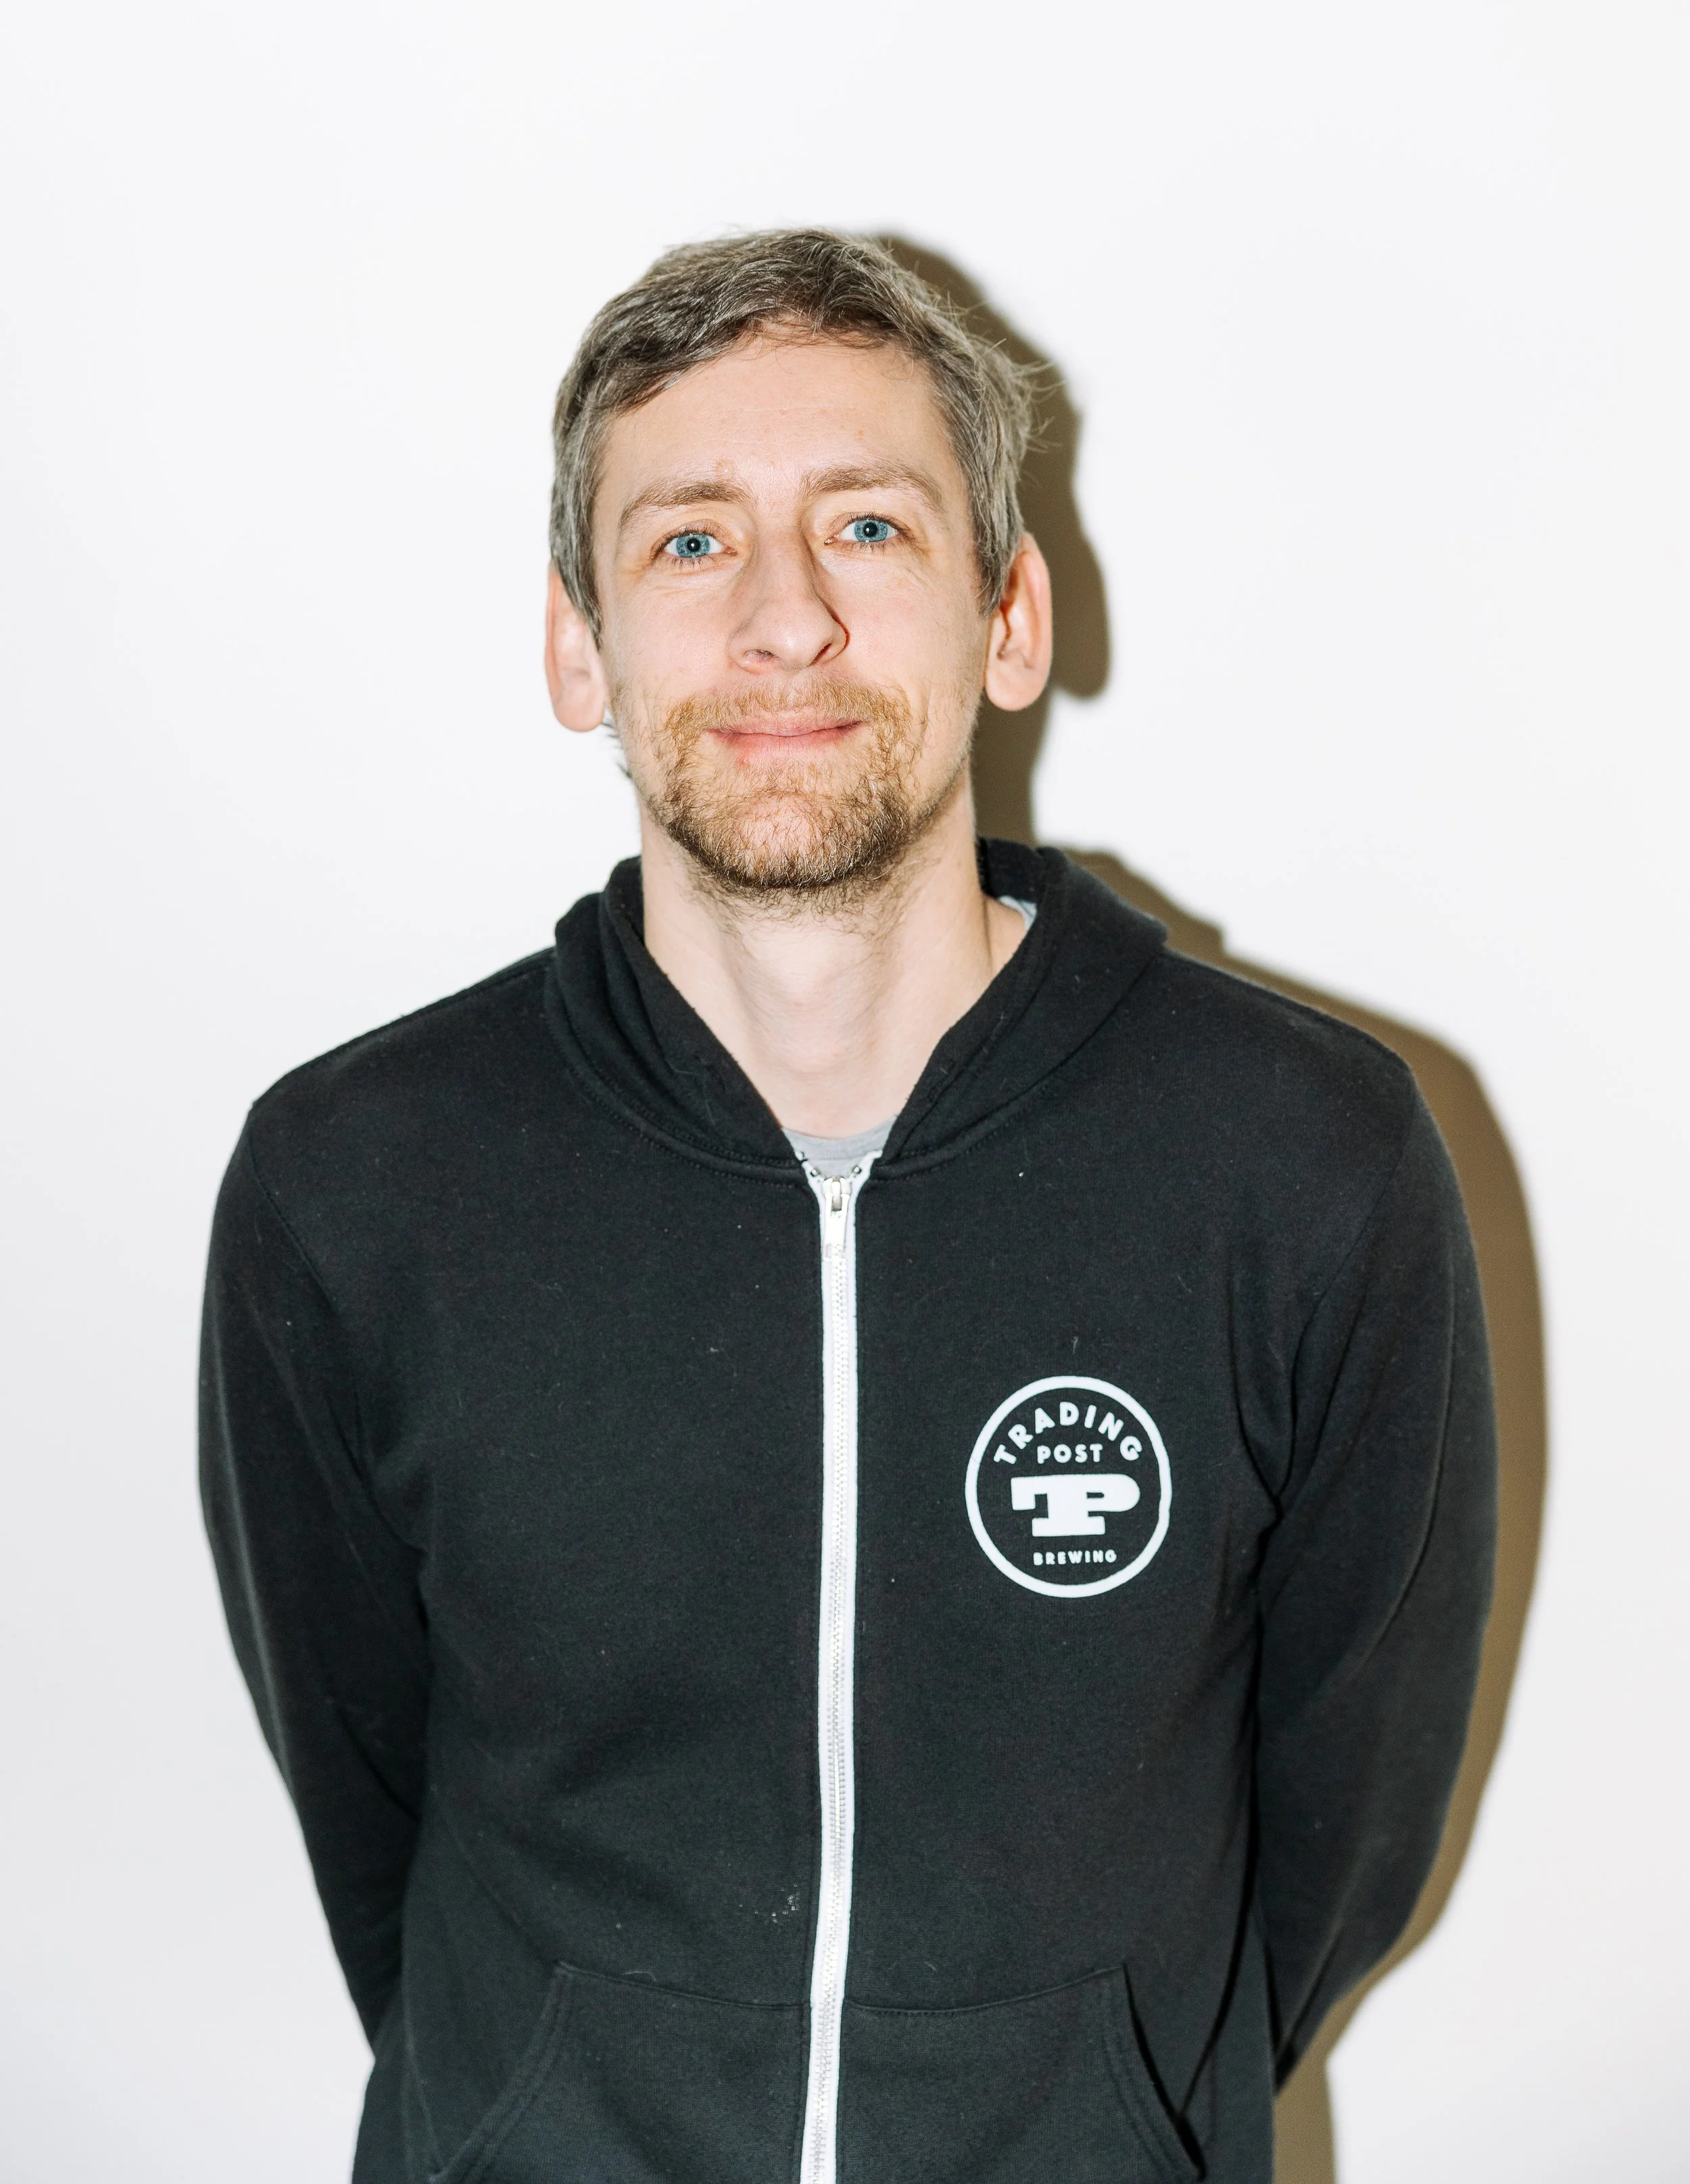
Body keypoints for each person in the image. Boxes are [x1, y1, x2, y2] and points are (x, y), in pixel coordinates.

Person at [200, 230, 1496, 2184]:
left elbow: (1343, 1830)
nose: (784, 618)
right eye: (690, 540)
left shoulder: (1306, 1158)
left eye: (868, 527)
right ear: (578, 645)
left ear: (1009, 615)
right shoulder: (355, 1182)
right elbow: (361, 1786)